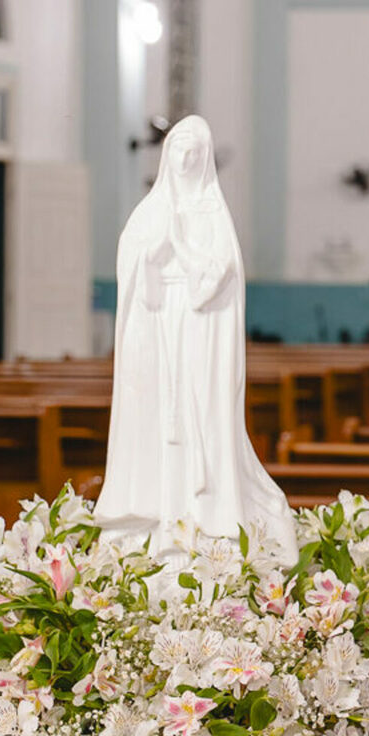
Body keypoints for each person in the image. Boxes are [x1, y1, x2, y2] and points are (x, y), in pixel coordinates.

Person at [96, 116, 297, 566]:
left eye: (194, 150)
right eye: (178, 149)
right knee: (158, 423)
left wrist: (180, 250)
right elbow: (134, 268)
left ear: (204, 157)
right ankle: (156, 517)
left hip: (198, 334)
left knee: (198, 419)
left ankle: (205, 519)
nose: (185, 158)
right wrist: (151, 255)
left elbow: (216, 278)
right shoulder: (150, 211)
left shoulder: (212, 213)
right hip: (157, 327)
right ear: (167, 154)